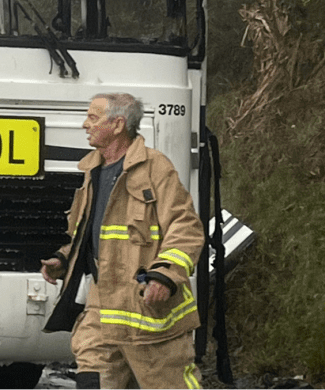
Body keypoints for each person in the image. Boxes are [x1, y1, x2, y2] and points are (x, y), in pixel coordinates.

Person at [40, 93, 205, 390]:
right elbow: (93, 233)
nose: (84, 125)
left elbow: (186, 227)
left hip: (148, 312)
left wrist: (165, 274)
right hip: (100, 309)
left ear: (117, 125)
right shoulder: (93, 171)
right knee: (93, 378)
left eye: (93, 118)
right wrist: (64, 259)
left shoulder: (155, 168)